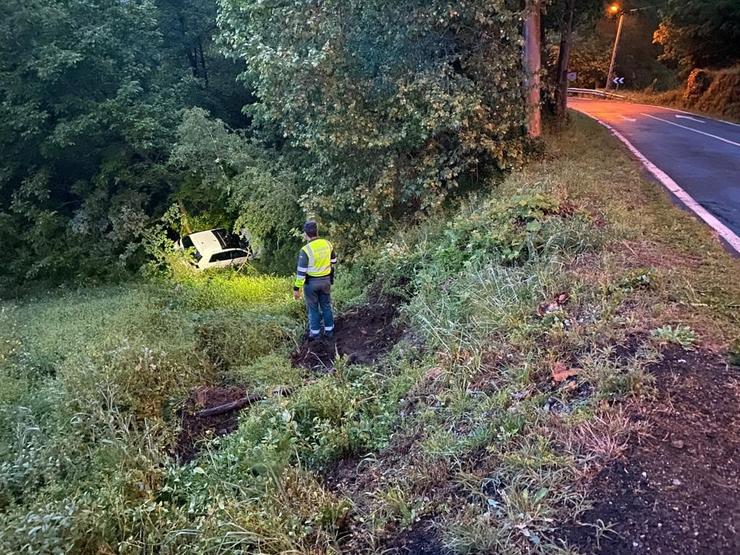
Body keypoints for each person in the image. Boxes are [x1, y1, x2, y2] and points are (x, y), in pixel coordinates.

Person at [293, 221, 337, 339]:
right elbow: (334, 261)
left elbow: (301, 273)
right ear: (317, 231)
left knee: (313, 309)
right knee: (326, 306)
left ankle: (315, 334)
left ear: (306, 234)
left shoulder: (306, 250)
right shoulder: (328, 244)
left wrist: (296, 289)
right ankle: (329, 331)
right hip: (326, 281)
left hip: (311, 284)